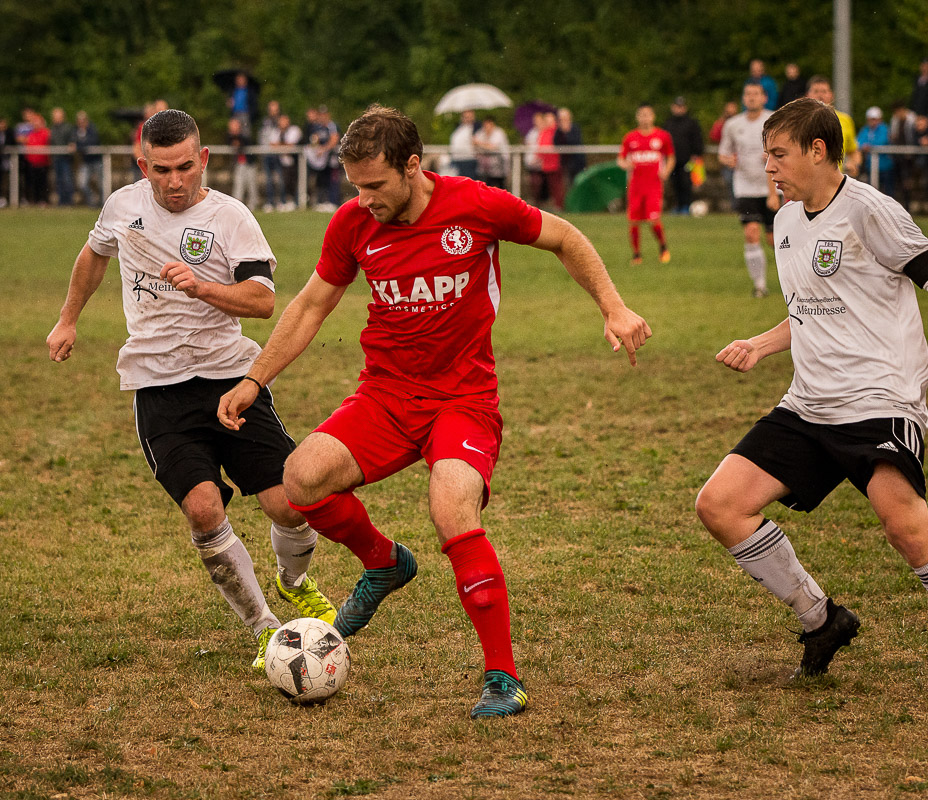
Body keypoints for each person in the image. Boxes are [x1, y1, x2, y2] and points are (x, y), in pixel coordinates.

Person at [216, 104, 651, 718]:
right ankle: (384, 562)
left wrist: (613, 305)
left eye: (375, 185)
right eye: (355, 186)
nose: (363, 199)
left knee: (451, 508)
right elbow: (312, 305)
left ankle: (502, 676)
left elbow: (565, 236)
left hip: (463, 400)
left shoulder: (476, 205)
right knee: (300, 479)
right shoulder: (352, 224)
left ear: (413, 166)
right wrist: (255, 379)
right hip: (386, 395)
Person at [696, 96, 928, 703]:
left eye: (778, 154)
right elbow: (811, 311)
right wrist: (762, 344)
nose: (768, 167)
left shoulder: (869, 209)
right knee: (719, 505)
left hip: (879, 398)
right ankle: (822, 620)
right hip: (808, 403)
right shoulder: (786, 220)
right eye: (766, 155)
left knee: (904, 525)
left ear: (818, 150)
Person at [45, 109, 336, 672]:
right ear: (143, 166)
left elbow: (262, 301)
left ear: (203, 159)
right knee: (203, 510)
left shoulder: (232, 218)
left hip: (230, 377)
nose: (175, 182)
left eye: (185, 168)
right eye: (161, 171)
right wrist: (68, 319)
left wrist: (202, 286)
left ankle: (294, 579)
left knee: (290, 505)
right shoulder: (123, 207)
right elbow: (93, 256)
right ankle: (263, 628)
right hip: (158, 387)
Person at [719, 83, 777, 296]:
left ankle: (796, 282)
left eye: (756, 94)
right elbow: (723, 154)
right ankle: (760, 285)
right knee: (751, 234)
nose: (752, 98)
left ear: (764, 98)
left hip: (773, 188)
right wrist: (728, 160)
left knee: (775, 240)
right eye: (748, 94)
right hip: (744, 187)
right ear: (743, 99)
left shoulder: (773, 120)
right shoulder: (733, 125)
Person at [618, 102, 674, 265]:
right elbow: (621, 159)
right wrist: (625, 164)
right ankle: (636, 255)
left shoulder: (662, 136)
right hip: (635, 186)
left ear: (653, 116)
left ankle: (663, 247)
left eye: (648, 114)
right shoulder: (630, 137)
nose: (645, 118)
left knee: (653, 220)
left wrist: (667, 171)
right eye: (641, 115)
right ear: (637, 117)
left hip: (654, 185)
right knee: (634, 221)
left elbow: (671, 156)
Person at [807, 76, 861, 177]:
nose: (820, 95)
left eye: (824, 91)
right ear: (808, 95)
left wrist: (854, 164)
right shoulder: (800, 121)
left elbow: (853, 151)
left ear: (832, 95)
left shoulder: (845, 120)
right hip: (807, 180)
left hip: (835, 181)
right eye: (816, 91)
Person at [663, 96, 704, 214]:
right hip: (672, 160)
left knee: (686, 183)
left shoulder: (692, 123)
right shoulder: (668, 123)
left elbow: (697, 140)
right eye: (677, 106)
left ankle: (686, 205)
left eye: (681, 107)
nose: (679, 109)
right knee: (674, 183)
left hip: (687, 160)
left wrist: (696, 154)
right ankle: (678, 205)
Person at [857, 106, 893, 196]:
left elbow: (882, 141)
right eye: (871, 119)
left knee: (888, 192)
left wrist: (869, 146)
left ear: (879, 119)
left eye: (875, 119)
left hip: (885, 166)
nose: (873, 122)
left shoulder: (884, 128)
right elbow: (859, 141)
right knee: (872, 192)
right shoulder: (865, 129)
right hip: (871, 166)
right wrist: (865, 146)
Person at [710, 101, 740, 204]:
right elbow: (714, 136)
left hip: (740, 160)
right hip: (727, 160)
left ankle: (740, 204)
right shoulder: (721, 123)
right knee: (729, 182)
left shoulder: (740, 123)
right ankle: (734, 205)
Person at [226, 117, 257, 211]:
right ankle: (237, 204)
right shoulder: (229, 136)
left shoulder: (244, 135)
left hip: (249, 163)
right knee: (238, 184)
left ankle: (253, 203)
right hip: (239, 164)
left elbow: (245, 144)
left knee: (251, 184)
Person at [74, 110, 104, 207]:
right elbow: (72, 142)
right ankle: (92, 202)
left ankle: (103, 203)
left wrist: (79, 146)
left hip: (96, 161)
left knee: (101, 184)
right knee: (82, 183)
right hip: (86, 162)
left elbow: (92, 142)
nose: (81, 122)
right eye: (79, 120)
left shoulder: (92, 129)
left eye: (83, 120)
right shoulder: (76, 131)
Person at [473, 114, 509, 190]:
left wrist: (479, 143)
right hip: (485, 169)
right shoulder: (481, 133)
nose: (486, 127)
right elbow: (474, 143)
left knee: (499, 187)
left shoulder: (499, 133)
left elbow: (493, 147)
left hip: (499, 167)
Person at [537, 111, 565, 210]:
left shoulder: (557, 131)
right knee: (547, 187)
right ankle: (551, 205)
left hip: (555, 163)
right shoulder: (543, 132)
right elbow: (540, 146)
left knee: (557, 186)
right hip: (545, 164)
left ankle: (559, 206)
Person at [260, 100, 284, 212]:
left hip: (278, 154)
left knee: (280, 178)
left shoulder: (281, 121)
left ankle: (281, 201)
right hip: (267, 153)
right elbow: (263, 136)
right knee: (269, 179)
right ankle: (269, 202)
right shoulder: (265, 121)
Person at [555, 107, 587, 190]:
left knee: (579, 184)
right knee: (568, 186)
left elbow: (575, 142)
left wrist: (567, 133)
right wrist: (562, 132)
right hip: (566, 164)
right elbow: (556, 143)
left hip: (578, 163)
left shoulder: (575, 128)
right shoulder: (558, 131)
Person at [23, 110, 51, 206]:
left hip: (43, 163)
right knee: (33, 183)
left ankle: (43, 200)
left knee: (43, 183)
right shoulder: (31, 134)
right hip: (32, 163)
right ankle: (34, 200)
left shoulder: (46, 133)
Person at [49, 108, 76, 206]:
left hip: (65, 158)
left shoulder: (68, 127)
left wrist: (71, 145)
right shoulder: (52, 128)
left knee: (67, 179)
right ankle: (62, 201)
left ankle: (69, 201)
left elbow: (72, 140)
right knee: (59, 181)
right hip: (56, 158)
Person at [449, 109, 479, 179]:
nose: (467, 118)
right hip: (457, 159)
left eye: (469, 116)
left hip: (468, 159)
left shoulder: (476, 127)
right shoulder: (459, 128)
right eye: (465, 116)